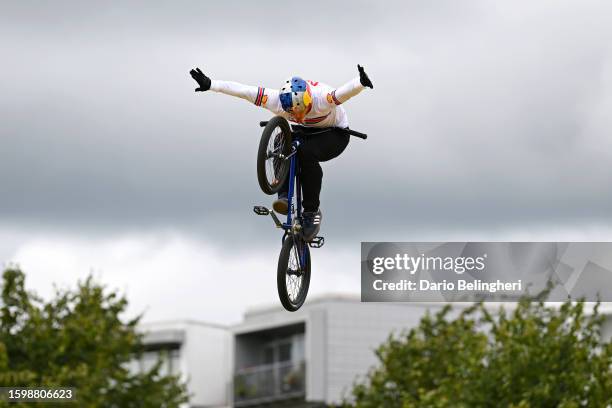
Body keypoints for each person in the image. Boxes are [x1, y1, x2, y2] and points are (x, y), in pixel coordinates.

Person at [190, 65, 373, 241]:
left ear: (309, 100)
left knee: (306, 152)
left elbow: (343, 92)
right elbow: (244, 91)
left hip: (334, 134)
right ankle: (283, 195)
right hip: (304, 133)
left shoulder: (322, 99)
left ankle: (311, 212)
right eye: (293, 113)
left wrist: (360, 82)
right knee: (281, 141)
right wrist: (210, 84)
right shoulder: (274, 99)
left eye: (302, 111)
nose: (299, 117)